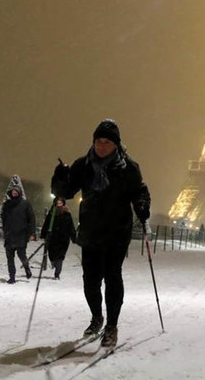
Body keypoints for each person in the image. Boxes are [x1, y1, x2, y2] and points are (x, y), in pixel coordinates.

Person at [51, 119, 151, 348]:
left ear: (116, 145)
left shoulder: (129, 168)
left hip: (117, 231)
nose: (102, 146)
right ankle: (97, 317)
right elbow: (65, 192)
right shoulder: (83, 165)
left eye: (107, 142)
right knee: (90, 280)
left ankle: (112, 326)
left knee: (113, 277)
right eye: (98, 141)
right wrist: (59, 178)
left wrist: (142, 206)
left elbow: (139, 191)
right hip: (91, 229)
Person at [1, 175, 36, 284]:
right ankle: (12, 277)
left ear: (19, 193)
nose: (14, 193)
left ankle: (27, 268)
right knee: (9, 258)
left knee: (22, 256)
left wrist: (31, 233)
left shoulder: (25, 204)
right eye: (13, 191)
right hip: (9, 235)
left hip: (21, 234)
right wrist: (5, 229)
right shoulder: (7, 204)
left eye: (16, 191)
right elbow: (3, 217)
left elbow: (31, 219)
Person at [40, 197, 76, 280]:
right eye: (57, 203)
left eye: (60, 203)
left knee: (60, 257)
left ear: (63, 204)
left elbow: (71, 226)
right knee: (51, 255)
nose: (59, 205)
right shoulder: (52, 213)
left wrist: (73, 237)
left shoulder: (67, 214)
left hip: (63, 239)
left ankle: (57, 273)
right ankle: (54, 264)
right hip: (52, 238)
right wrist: (43, 234)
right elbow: (46, 224)